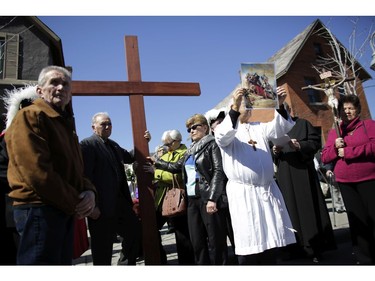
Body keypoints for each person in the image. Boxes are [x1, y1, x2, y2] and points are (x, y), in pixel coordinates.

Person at [5, 66, 97, 265]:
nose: (61, 87)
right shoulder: (30, 116)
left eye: (66, 84)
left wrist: (89, 191)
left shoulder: (65, 126)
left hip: (61, 208)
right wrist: (77, 201)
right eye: (54, 82)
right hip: (40, 209)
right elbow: (36, 172)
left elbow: (75, 171)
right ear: (39, 90)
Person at [214, 86, 297, 265]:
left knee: (273, 238)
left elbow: (279, 129)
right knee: (251, 238)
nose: (249, 106)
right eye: (245, 103)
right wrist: (234, 109)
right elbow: (222, 136)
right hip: (244, 193)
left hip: (266, 189)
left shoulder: (259, 128)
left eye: (250, 104)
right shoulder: (225, 130)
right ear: (234, 107)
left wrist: (280, 106)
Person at [151, 116, 230, 265]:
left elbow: (218, 172)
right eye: (189, 129)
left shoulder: (212, 144)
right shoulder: (190, 150)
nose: (191, 131)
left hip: (208, 198)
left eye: (195, 127)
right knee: (197, 242)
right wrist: (156, 161)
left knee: (216, 242)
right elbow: (175, 167)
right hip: (192, 201)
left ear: (205, 127)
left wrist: (213, 198)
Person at [80, 112, 149, 265]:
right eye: (103, 124)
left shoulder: (114, 145)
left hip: (120, 203)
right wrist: (92, 208)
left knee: (134, 232)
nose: (107, 126)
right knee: (102, 250)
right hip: (101, 207)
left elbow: (130, 156)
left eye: (109, 123)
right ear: (93, 127)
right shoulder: (87, 145)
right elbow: (84, 177)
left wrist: (145, 141)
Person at [272, 102, 336, 263]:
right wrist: (274, 151)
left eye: (283, 110)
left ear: (289, 110)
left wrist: (299, 145)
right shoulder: (274, 130)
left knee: (307, 208)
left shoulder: (302, 124)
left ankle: (313, 247)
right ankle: (294, 248)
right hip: (285, 174)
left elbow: (315, 143)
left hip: (303, 172)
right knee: (289, 210)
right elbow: (271, 153)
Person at [321, 94, 375, 264]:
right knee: (357, 221)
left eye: (351, 108)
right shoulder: (334, 132)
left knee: (373, 217)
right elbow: (325, 157)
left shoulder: (368, 125)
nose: (347, 112)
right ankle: (364, 258)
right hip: (346, 183)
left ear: (357, 110)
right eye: (344, 109)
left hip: (369, 179)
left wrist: (350, 152)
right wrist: (336, 148)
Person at [151, 130, 195, 265]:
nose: (165, 147)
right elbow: (156, 169)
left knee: (182, 234)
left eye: (168, 144)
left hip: (178, 198)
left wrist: (158, 174)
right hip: (161, 199)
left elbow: (177, 176)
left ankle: (186, 263)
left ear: (176, 142)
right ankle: (161, 260)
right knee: (151, 229)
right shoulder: (166, 154)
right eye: (164, 145)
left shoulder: (185, 153)